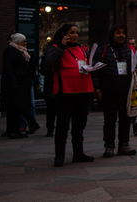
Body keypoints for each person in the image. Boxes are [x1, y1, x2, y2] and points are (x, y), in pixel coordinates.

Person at [44, 25, 95, 166]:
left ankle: (78, 153)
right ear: (63, 34)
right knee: (62, 126)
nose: (76, 35)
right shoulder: (55, 48)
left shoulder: (82, 48)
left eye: (77, 32)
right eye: (72, 33)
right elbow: (50, 63)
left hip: (83, 92)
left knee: (79, 126)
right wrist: (61, 47)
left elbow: (87, 64)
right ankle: (59, 156)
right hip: (65, 93)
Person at [91, 25, 137, 157]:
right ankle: (109, 146)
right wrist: (96, 87)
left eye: (123, 33)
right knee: (109, 120)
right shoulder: (103, 50)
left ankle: (124, 145)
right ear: (112, 34)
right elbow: (95, 70)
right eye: (118, 33)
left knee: (126, 119)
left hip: (126, 91)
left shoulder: (130, 49)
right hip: (109, 91)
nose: (121, 35)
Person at [1, 33, 41, 139]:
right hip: (15, 85)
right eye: (23, 41)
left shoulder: (21, 52)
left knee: (17, 108)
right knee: (14, 108)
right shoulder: (11, 51)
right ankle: (13, 131)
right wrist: (14, 83)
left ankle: (15, 130)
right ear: (18, 41)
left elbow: (25, 68)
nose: (25, 43)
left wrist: (34, 78)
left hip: (21, 84)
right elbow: (9, 69)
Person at [40, 38, 58, 137]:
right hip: (51, 85)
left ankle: (53, 128)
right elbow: (43, 70)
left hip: (55, 85)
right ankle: (50, 129)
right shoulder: (47, 57)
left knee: (54, 109)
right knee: (51, 109)